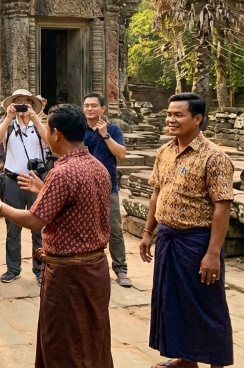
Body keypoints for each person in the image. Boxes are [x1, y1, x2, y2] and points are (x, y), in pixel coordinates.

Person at [0, 103, 113, 368]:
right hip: (95, 269)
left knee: (64, 343)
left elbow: (35, 221)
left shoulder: (62, 172)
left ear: (56, 134)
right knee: (93, 337)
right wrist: (43, 189)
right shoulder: (97, 166)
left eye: (48, 129)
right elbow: (78, 205)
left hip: (68, 275)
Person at [140, 93, 234, 368]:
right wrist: (148, 232)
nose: (170, 119)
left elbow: (222, 207)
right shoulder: (165, 151)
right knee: (174, 302)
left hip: (197, 243)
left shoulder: (214, 157)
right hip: (168, 238)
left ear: (197, 118)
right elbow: (157, 192)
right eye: (169, 114)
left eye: (178, 115)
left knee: (207, 306)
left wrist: (212, 254)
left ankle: (217, 363)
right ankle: (186, 359)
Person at [0, 89, 46, 284]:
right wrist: (9, 117)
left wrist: (35, 118)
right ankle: (13, 268)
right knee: (12, 227)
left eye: (27, 102)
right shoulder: (6, 125)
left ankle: (40, 269)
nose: (23, 106)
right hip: (13, 180)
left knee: (38, 227)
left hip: (35, 181)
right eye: (19, 102)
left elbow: (49, 141)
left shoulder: (38, 125)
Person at [82, 92, 131, 288]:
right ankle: (89, 268)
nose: (90, 109)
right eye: (86, 105)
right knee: (85, 228)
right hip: (83, 187)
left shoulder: (113, 129)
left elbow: (121, 154)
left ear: (102, 109)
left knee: (115, 229)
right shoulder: (79, 129)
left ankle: (120, 268)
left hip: (108, 187)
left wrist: (105, 135)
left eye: (94, 105)